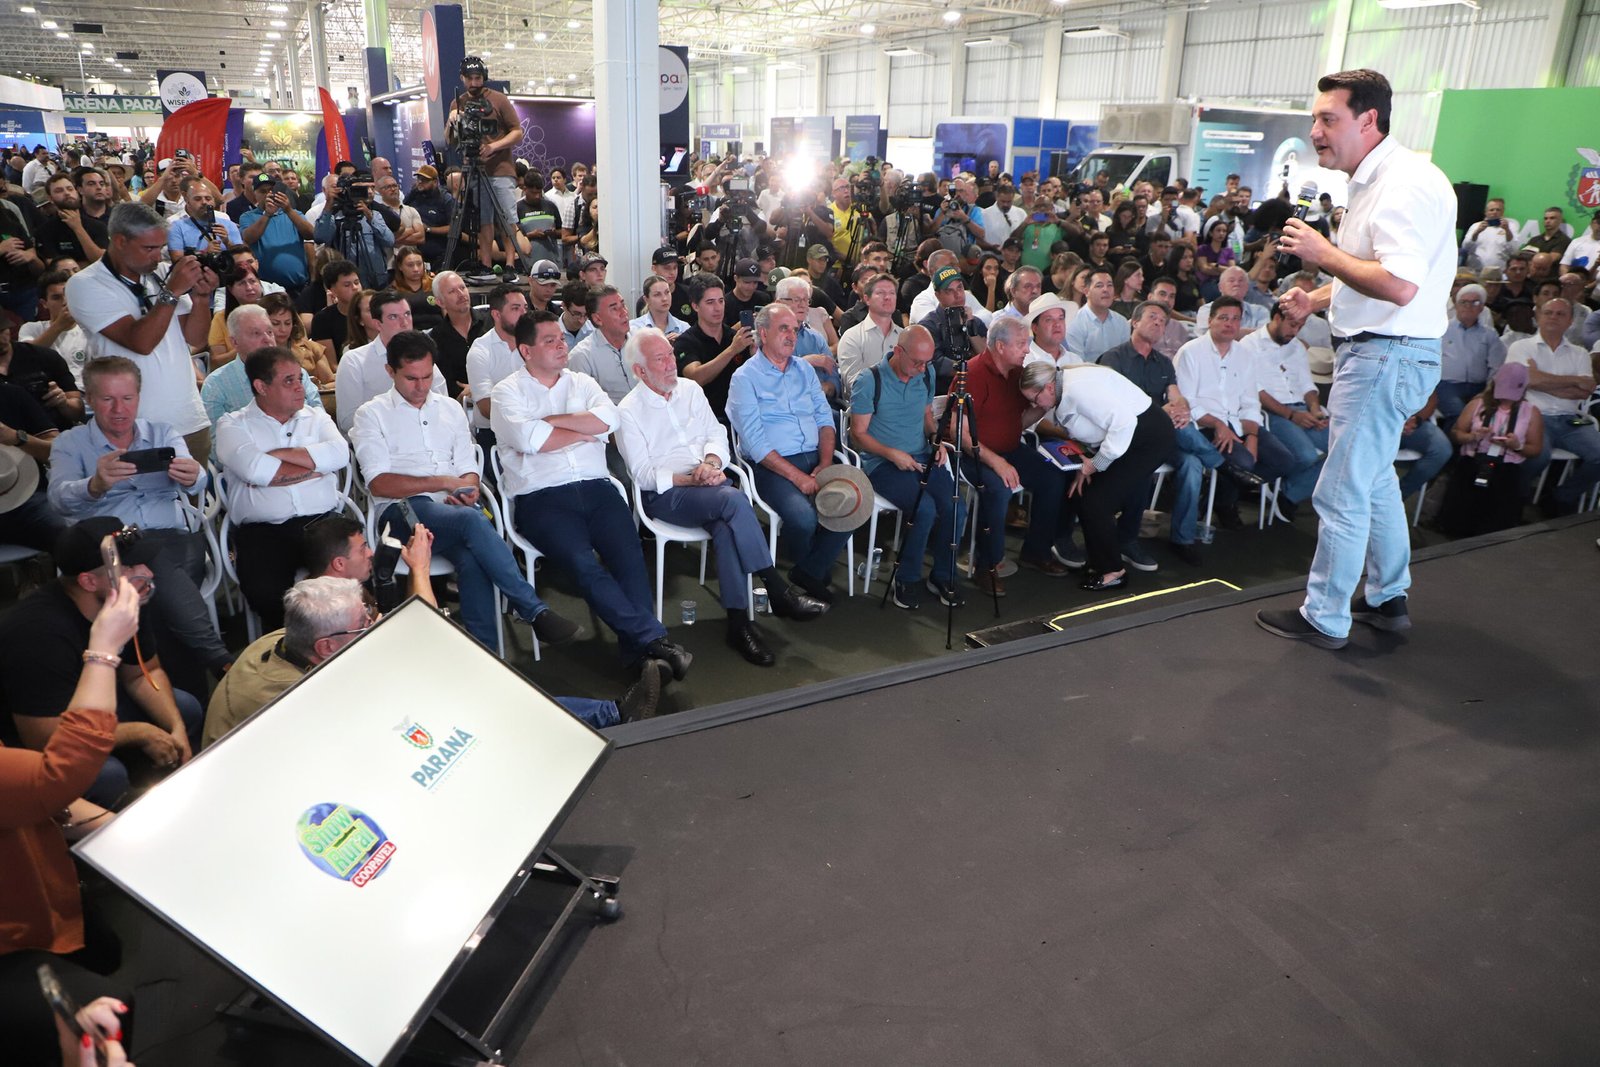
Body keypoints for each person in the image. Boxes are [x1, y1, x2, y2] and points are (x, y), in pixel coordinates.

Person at [1259, 69, 1457, 649]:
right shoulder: (1375, 180)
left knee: (1342, 489)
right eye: (1315, 119)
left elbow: (1399, 286)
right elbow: (1376, 274)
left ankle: (1326, 616)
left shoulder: (1403, 185)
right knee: (1372, 485)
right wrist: (1316, 296)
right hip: (1386, 353)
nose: (1315, 132)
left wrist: (1322, 255)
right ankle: (1387, 598)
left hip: (1384, 356)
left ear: (1368, 120)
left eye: (1328, 119)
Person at [492, 310, 692, 685]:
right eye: (549, 341)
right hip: (542, 496)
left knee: (629, 555)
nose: (560, 345)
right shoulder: (507, 392)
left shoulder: (582, 382)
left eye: (561, 338)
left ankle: (642, 654)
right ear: (525, 350)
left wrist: (550, 424)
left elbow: (609, 421)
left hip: (597, 487)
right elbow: (527, 440)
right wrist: (582, 430)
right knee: (584, 564)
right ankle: (654, 642)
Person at [351, 328, 583, 651]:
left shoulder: (448, 408)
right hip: (399, 512)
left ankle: (484, 653)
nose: (421, 387)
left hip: (449, 512)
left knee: (472, 557)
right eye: (411, 379)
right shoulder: (371, 414)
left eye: (427, 377)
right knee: (473, 522)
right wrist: (445, 483)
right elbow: (379, 483)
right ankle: (532, 609)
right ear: (390, 372)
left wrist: (469, 490)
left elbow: (467, 469)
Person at [616, 329, 827, 665]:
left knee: (726, 526)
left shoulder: (690, 390)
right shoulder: (628, 411)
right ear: (640, 371)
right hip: (667, 495)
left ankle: (739, 624)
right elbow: (642, 474)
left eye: (670, 355)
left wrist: (711, 463)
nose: (671, 364)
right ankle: (777, 589)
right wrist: (691, 478)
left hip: (710, 484)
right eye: (660, 360)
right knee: (732, 500)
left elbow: (717, 433)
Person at [0, 574, 140, 1066]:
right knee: (110, 1011)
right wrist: (103, 649)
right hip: (10, 942)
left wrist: (106, 821)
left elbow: (32, 792)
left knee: (103, 952)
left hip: (36, 896)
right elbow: (60, 773)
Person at [48, 356, 233, 677]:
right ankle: (218, 661)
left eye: (128, 398)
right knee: (148, 567)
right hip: (108, 546)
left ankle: (152, 679)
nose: (119, 409)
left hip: (170, 536)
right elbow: (58, 500)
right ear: (89, 399)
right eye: (107, 399)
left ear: (139, 397)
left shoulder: (162, 433)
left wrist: (193, 476)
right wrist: (95, 485)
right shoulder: (71, 443)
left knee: (149, 572)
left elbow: (201, 480)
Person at [0, 518, 203, 808]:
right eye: (130, 567)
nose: (146, 573)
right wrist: (138, 733)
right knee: (107, 775)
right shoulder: (35, 634)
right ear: (88, 580)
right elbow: (45, 738)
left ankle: (172, 788)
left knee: (185, 709)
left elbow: (143, 674)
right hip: (45, 731)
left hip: (98, 704)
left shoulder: (124, 597)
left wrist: (176, 728)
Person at [66, 203, 216, 463]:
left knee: (195, 502)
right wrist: (171, 292)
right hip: (134, 428)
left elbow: (195, 339)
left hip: (189, 419)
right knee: (144, 502)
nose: (158, 257)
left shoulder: (160, 275)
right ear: (121, 241)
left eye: (161, 248)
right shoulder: (85, 284)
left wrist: (202, 298)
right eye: (149, 248)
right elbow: (141, 342)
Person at [726, 303, 855, 602]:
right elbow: (756, 445)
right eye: (783, 328)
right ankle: (812, 569)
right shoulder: (745, 378)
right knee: (804, 518)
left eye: (794, 329)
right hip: (772, 465)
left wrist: (824, 463)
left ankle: (807, 571)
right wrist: (799, 478)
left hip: (816, 455)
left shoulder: (804, 371)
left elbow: (825, 419)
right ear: (762, 333)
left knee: (856, 500)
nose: (791, 335)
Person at [216, 347, 352, 630]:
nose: (300, 387)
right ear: (261, 387)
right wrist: (315, 467)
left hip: (321, 522)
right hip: (264, 530)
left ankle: (345, 643)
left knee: (352, 575)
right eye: (288, 380)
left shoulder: (316, 417)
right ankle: (288, 655)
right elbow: (254, 470)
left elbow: (340, 455)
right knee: (267, 594)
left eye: (300, 378)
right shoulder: (232, 425)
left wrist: (275, 457)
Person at [1019, 361, 1175, 591]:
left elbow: (1124, 423)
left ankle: (1114, 571)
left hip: (1147, 439)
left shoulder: (1079, 389)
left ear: (1049, 388)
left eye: (1034, 398)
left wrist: (1094, 465)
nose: (1034, 405)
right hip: (1123, 440)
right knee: (1085, 496)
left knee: (1097, 502)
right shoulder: (1064, 387)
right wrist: (1088, 461)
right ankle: (1100, 562)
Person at [847, 325, 965, 609]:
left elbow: (926, 414)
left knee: (956, 506)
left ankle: (941, 575)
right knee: (923, 510)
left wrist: (936, 439)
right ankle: (907, 577)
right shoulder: (870, 380)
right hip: (882, 464)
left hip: (921, 456)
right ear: (898, 352)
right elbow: (858, 435)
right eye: (917, 362)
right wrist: (892, 454)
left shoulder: (926, 374)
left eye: (927, 362)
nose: (924, 369)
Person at [956, 314, 1074, 595]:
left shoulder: (1019, 373)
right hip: (973, 454)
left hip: (1011, 447)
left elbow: (1021, 421)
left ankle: (1036, 550)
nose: (1026, 349)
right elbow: (958, 432)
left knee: (1054, 477)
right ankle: (987, 565)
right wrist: (996, 461)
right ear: (999, 346)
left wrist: (1045, 402)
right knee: (998, 488)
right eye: (1021, 344)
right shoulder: (972, 373)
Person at [1504, 298, 1599, 515]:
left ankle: (1560, 497)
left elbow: (1585, 390)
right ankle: (1517, 497)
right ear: (1538, 316)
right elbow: (1526, 380)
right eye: (1549, 312)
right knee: (1538, 455)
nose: (1553, 317)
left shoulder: (1580, 353)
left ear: (1570, 321)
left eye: (1560, 314)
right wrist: (1571, 381)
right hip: (1532, 416)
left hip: (1570, 418)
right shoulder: (1521, 347)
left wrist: (1539, 379)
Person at [1239, 303, 1327, 520]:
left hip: (1302, 409)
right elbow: (1255, 390)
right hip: (1273, 412)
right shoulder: (1249, 345)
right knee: (1306, 456)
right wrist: (1291, 416)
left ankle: (1288, 493)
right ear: (1277, 317)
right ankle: (1288, 491)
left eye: (1300, 326)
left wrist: (1315, 410)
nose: (1295, 331)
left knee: (1344, 449)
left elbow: (1308, 385)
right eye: (1292, 325)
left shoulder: (1296, 346)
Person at [1436, 362, 1544, 538]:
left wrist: (1517, 446)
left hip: (1506, 468)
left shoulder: (1531, 412)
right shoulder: (1478, 403)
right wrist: (1472, 437)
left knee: (1497, 525)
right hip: (1473, 462)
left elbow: (1535, 450)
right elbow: (1456, 433)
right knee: (1457, 523)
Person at [447, 56, 524, 276]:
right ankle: (486, 265)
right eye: (469, 78)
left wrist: (494, 147)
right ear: (462, 78)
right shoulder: (458, 103)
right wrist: (452, 120)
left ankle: (511, 264)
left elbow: (517, 132)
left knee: (507, 219)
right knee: (483, 220)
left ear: (484, 77)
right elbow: (451, 140)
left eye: (478, 78)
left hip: (500, 169)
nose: (474, 83)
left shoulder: (499, 100)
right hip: (473, 169)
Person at [335, 290, 446, 434]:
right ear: (377, 324)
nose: (404, 322)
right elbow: (347, 420)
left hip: (428, 437)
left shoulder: (423, 357)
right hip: (379, 439)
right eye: (393, 317)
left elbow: (443, 405)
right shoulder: (354, 361)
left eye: (407, 314)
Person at [673, 273, 754, 422]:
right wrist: (732, 350)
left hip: (739, 416)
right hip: (702, 419)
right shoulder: (686, 341)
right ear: (695, 306)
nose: (718, 308)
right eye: (710, 302)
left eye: (721, 301)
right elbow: (696, 377)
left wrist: (755, 354)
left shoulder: (735, 337)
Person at [1438, 282, 1507, 422]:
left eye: (1475, 302)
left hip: (1479, 387)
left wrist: (1487, 391)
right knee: (1459, 415)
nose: (1468, 306)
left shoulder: (1489, 334)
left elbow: (1496, 366)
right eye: (1464, 302)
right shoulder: (1441, 330)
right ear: (1456, 305)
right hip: (1447, 386)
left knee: (1482, 414)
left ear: (1482, 307)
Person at [240, 173, 314, 292]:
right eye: (263, 191)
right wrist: (267, 214)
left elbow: (310, 234)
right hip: (267, 289)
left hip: (298, 288)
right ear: (255, 194)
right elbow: (249, 238)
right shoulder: (248, 217)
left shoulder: (294, 214)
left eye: (271, 190)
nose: (269, 194)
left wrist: (288, 210)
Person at [568, 285, 636, 403]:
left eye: (623, 305)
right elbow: (581, 405)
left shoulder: (641, 340)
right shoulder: (582, 356)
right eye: (614, 309)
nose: (624, 312)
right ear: (597, 319)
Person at [837, 272, 903, 392]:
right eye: (880, 293)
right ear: (867, 299)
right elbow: (853, 383)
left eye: (892, 293)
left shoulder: (905, 337)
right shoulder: (852, 337)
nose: (887, 297)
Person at [262, 291, 336, 388]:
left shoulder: (312, 349)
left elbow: (332, 384)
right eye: (275, 323)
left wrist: (315, 388)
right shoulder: (253, 353)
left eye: (288, 323)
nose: (283, 329)